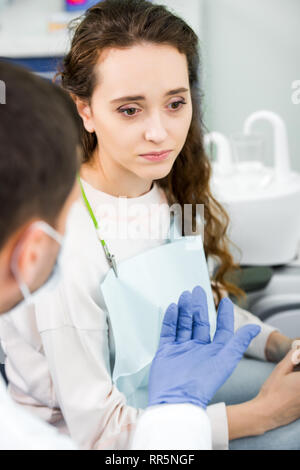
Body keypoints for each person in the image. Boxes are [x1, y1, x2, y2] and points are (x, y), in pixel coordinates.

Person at [2, 0, 300, 451]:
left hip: (167, 399)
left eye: (175, 103)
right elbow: (101, 433)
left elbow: (195, 302)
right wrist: (264, 414)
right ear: (85, 110)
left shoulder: (158, 188)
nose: (160, 133)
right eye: (129, 110)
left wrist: (280, 344)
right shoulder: (67, 245)